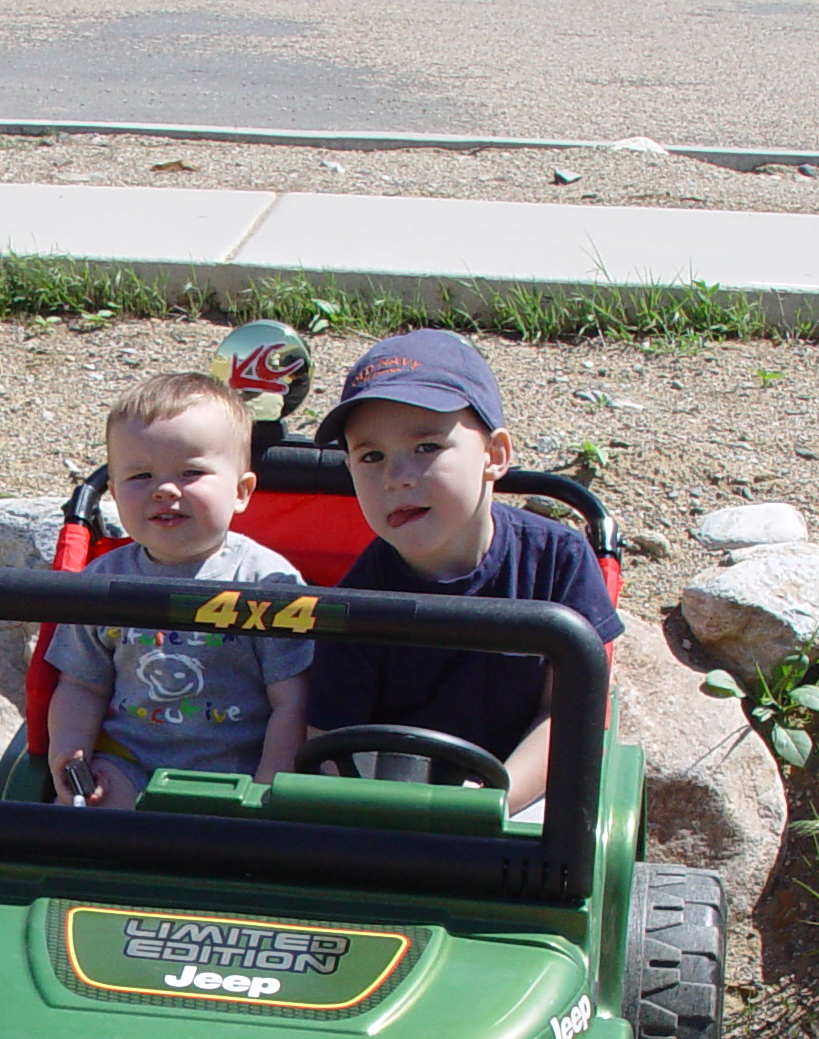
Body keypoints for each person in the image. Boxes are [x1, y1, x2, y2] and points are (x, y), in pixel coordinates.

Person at [303, 330, 622, 813]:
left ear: (494, 456)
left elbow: (569, 713)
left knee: (567, 840)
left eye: (427, 447)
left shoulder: (557, 560)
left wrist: (492, 801)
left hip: (525, 787)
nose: (397, 477)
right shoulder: (356, 603)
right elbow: (329, 749)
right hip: (392, 799)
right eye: (372, 457)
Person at [47, 373, 313, 808]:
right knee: (81, 818)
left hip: (239, 770)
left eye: (191, 473)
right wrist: (71, 751)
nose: (165, 489)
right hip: (129, 761)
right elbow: (80, 685)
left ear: (242, 491)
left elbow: (292, 701)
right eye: (140, 476)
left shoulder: (268, 582)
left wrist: (270, 786)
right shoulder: (102, 582)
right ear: (113, 493)